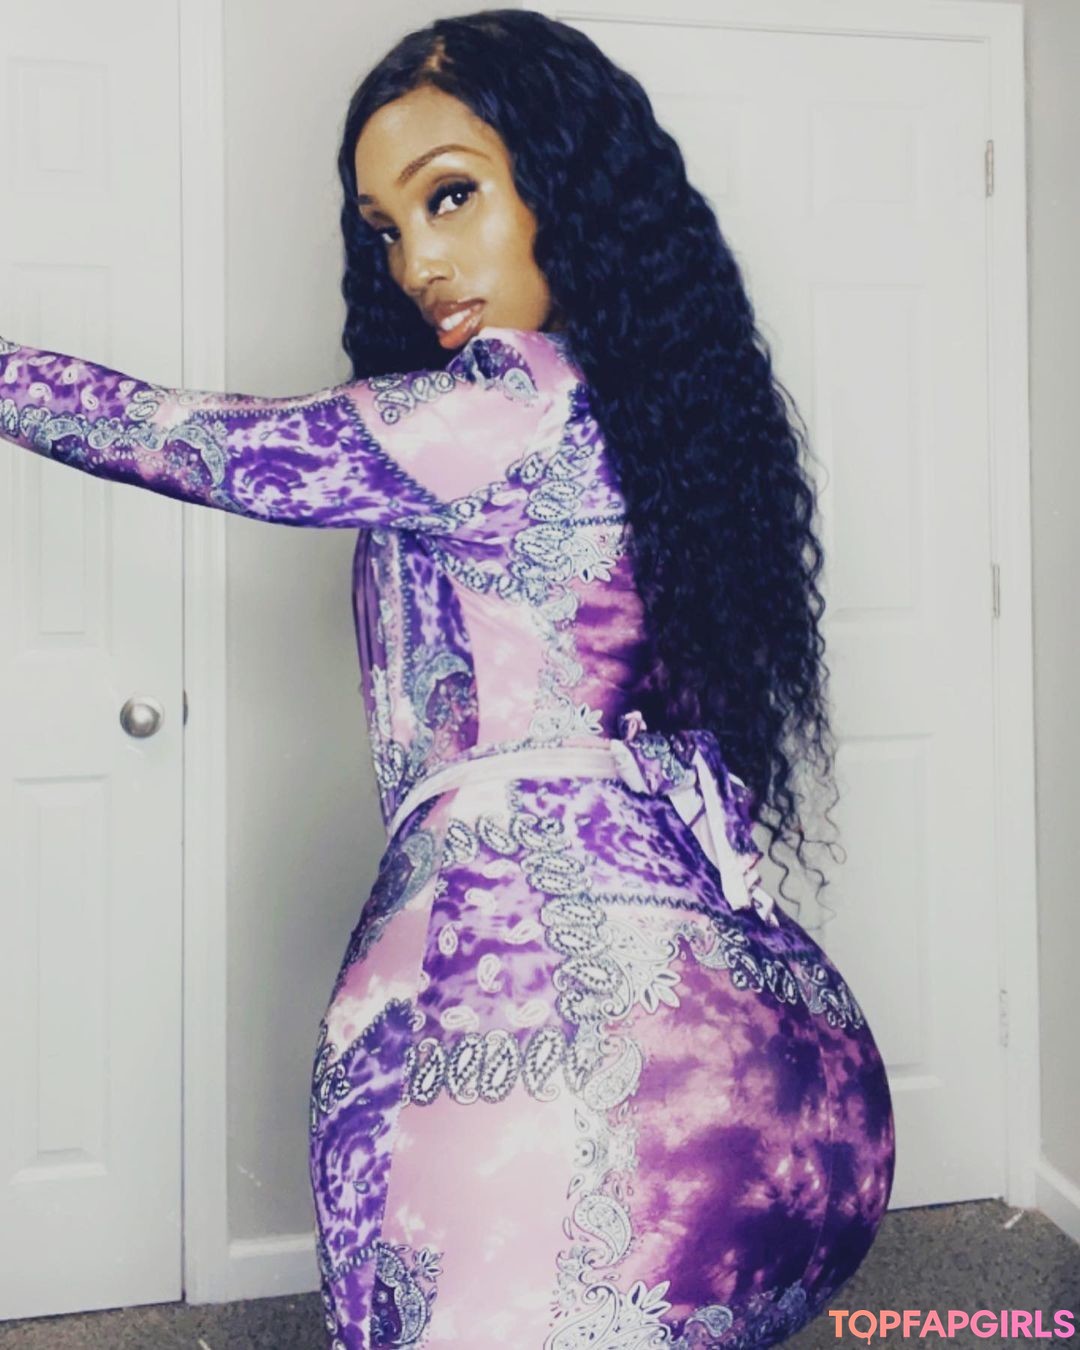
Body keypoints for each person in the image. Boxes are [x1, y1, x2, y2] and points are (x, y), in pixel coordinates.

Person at [0, 9, 895, 1347]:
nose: (417, 260)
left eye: (452, 194)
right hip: (774, 1061)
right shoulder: (654, 408)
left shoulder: (502, 400)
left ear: (562, 186)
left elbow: (194, 440)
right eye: (386, 226)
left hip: (540, 1041)